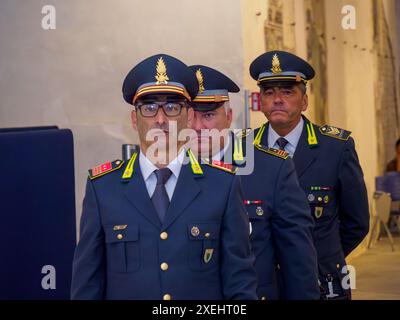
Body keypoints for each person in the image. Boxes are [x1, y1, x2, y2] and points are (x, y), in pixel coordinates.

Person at [71, 54, 258, 300]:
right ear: (134, 119)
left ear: (188, 117)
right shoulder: (104, 189)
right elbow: (87, 286)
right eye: (149, 108)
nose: (160, 119)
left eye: (172, 107)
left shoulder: (222, 186)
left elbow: (240, 285)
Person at [188, 64, 319, 300]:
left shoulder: (271, 168)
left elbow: (297, 259)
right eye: (190, 115)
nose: (198, 127)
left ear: (228, 117)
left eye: (208, 115)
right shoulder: (166, 172)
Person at [249, 50, 370, 300]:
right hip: (262, 286)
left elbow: (356, 222)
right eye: (269, 93)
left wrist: (321, 256)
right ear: (260, 101)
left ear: (304, 101)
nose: (277, 100)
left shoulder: (335, 147)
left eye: (287, 91)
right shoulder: (243, 150)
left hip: (322, 281)